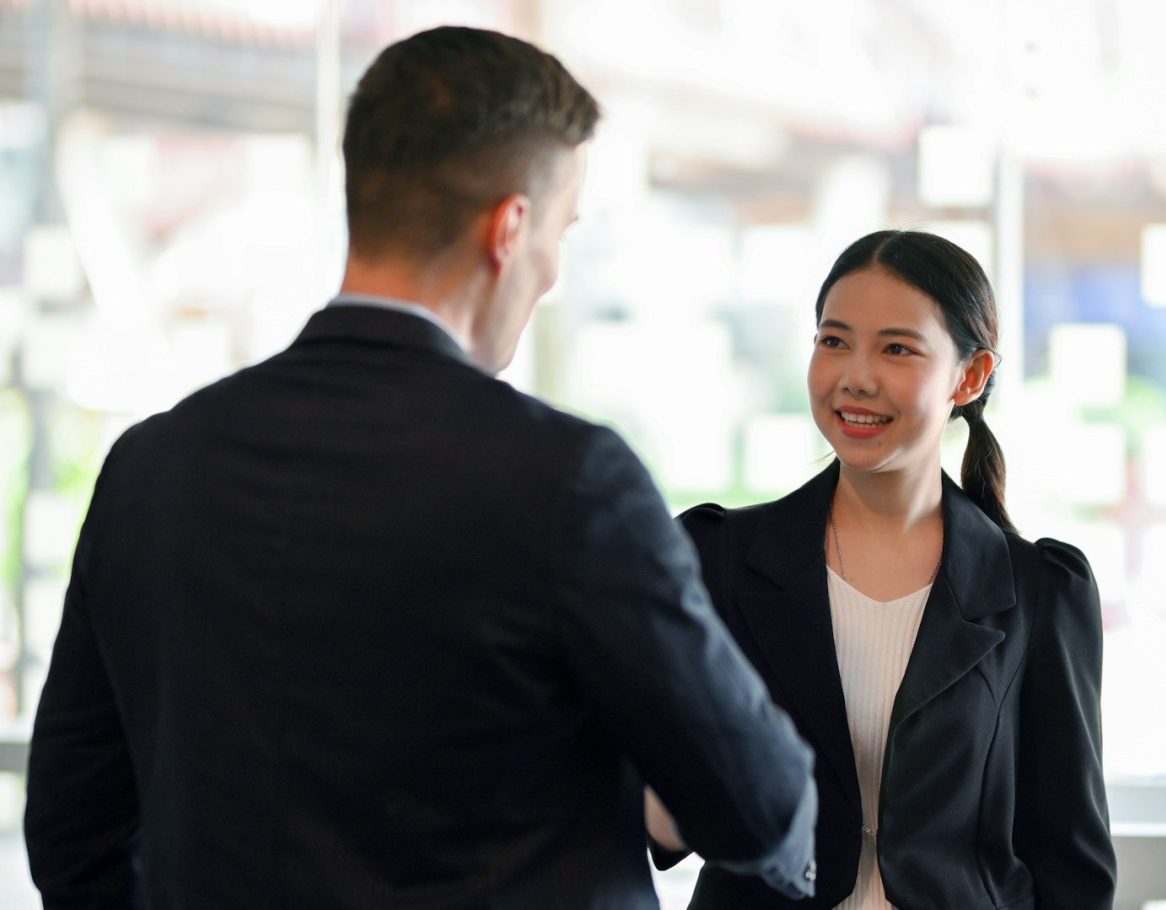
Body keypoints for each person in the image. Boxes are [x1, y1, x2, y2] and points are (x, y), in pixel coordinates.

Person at [24, 26, 817, 909]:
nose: (554, 270)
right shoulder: (567, 482)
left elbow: (72, 833)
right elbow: (759, 805)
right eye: (563, 230)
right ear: (510, 229)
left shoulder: (151, 468)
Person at [650, 230, 1115, 908]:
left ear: (971, 375)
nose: (856, 376)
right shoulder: (716, 558)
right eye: (833, 341)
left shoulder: (1038, 591)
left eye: (897, 348)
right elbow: (662, 814)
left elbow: (1070, 865)